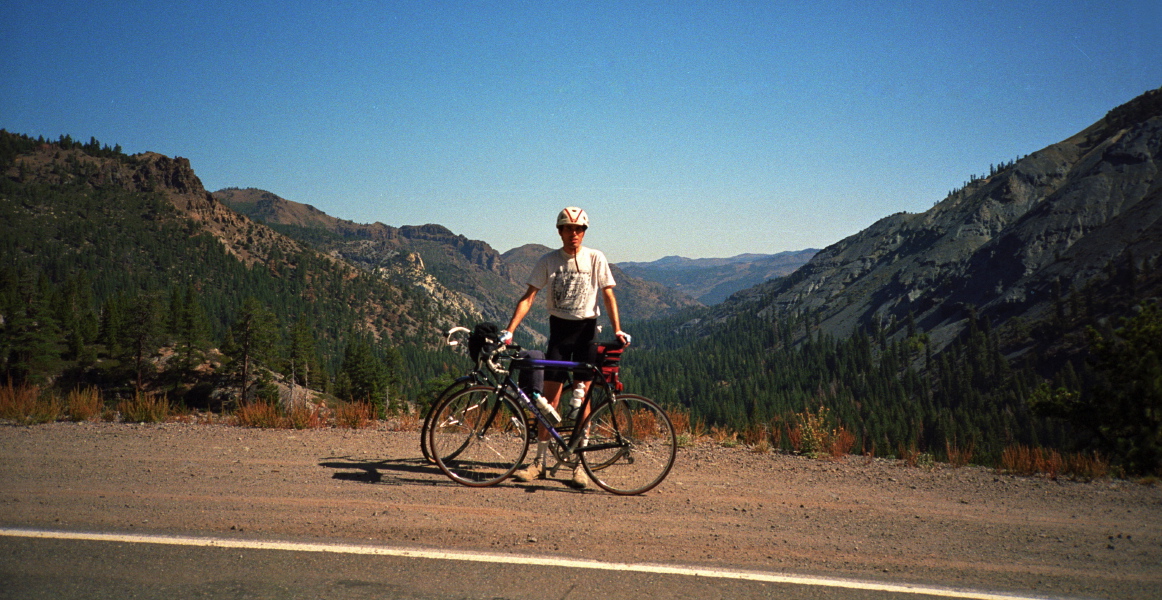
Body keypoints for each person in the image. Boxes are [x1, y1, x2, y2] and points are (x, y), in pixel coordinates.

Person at [500, 207, 631, 489]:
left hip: (586, 333)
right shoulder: (548, 260)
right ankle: (539, 463)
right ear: (559, 231)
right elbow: (529, 296)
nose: (574, 234)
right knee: (550, 402)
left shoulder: (596, 258)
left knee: (583, 401)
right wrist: (509, 330)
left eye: (579, 229)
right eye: (568, 228)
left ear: (584, 232)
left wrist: (617, 328)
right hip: (559, 334)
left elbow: (608, 293)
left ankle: (580, 466)